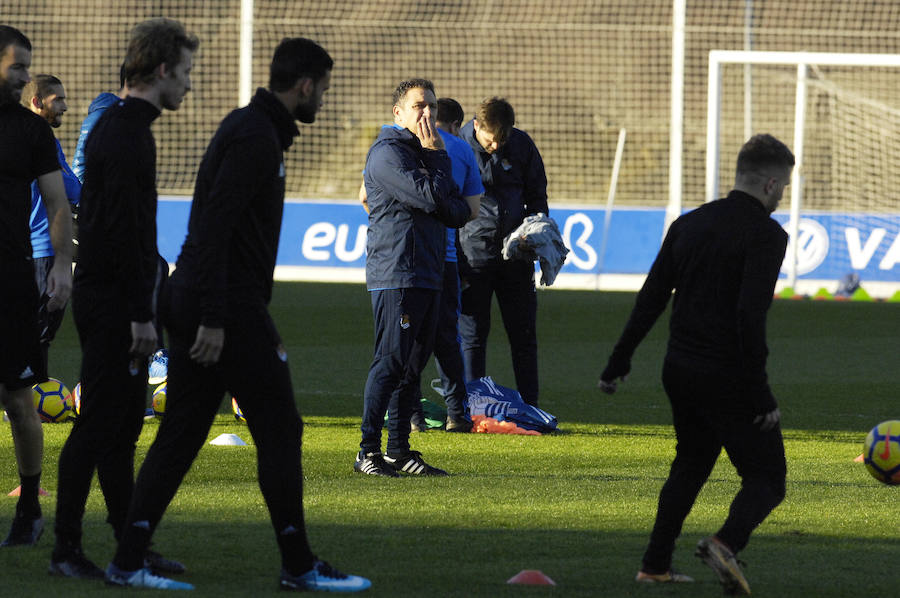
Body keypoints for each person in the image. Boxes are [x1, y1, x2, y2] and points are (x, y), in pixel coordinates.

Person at [105, 37, 370, 593]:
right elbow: (215, 228)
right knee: (280, 426)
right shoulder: (255, 136)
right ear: (304, 85)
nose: (324, 97)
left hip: (203, 296)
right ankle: (298, 565)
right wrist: (215, 318)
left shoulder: (254, 128)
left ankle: (128, 559)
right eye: (322, 87)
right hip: (224, 304)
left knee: (181, 432)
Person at [598, 134, 794, 595]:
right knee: (767, 479)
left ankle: (655, 565)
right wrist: (761, 393)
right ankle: (725, 544)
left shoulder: (690, 224)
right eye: (783, 186)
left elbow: (651, 296)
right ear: (770, 183)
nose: (782, 195)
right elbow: (749, 315)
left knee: (690, 464)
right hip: (727, 373)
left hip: (680, 370)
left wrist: (617, 361)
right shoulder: (768, 235)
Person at [50, 17, 198, 580]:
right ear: (161, 71)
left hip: (114, 294)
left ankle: (127, 542)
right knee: (98, 427)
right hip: (113, 300)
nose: (188, 85)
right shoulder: (125, 131)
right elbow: (124, 233)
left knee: (121, 429)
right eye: (184, 73)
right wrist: (141, 313)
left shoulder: (127, 127)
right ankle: (66, 548)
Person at [355, 79, 471, 477]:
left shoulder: (424, 153)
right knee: (390, 362)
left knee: (411, 368)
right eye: (420, 106)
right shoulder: (388, 154)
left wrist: (436, 168)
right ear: (398, 113)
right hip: (397, 272)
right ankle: (367, 451)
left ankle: (399, 450)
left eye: (434, 107)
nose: (429, 114)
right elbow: (431, 199)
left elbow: (458, 213)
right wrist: (437, 156)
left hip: (429, 271)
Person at [0, 24, 73, 548]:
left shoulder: (31, 131)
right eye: (17, 65)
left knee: (18, 399)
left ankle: (29, 502)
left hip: (10, 280)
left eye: (28, 66)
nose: (25, 75)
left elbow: (57, 203)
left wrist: (62, 267)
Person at [457, 97, 548, 407]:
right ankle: (472, 406)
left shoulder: (522, 145)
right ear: (476, 125)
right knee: (472, 337)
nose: (496, 144)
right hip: (473, 258)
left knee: (523, 336)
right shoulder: (457, 146)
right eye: (490, 138)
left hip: (517, 258)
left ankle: (531, 407)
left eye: (502, 138)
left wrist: (534, 233)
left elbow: (538, 197)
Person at [23, 74, 81, 375]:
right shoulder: (39, 138)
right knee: (40, 331)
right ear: (36, 102)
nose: (65, 106)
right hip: (43, 247)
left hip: (30, 247)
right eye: (57, 99)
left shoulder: (24, 136)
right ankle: (24, 404)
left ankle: (27, 403)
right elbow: (71, 189)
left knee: (35, 331)